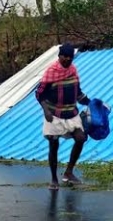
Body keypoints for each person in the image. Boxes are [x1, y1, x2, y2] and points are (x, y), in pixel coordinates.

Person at [35, 43, 90, 190]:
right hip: (54, 115)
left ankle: (68, 172)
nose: (67, 59)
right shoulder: (51, 72)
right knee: (54, 145)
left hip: (71, 113)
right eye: (64, 56)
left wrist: (91, 103)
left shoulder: (73, 71)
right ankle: (54, 179)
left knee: (81, 138)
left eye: (70, 57)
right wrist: (46, 111)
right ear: (59, 56)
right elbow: (39, 94)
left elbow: (78, 93)